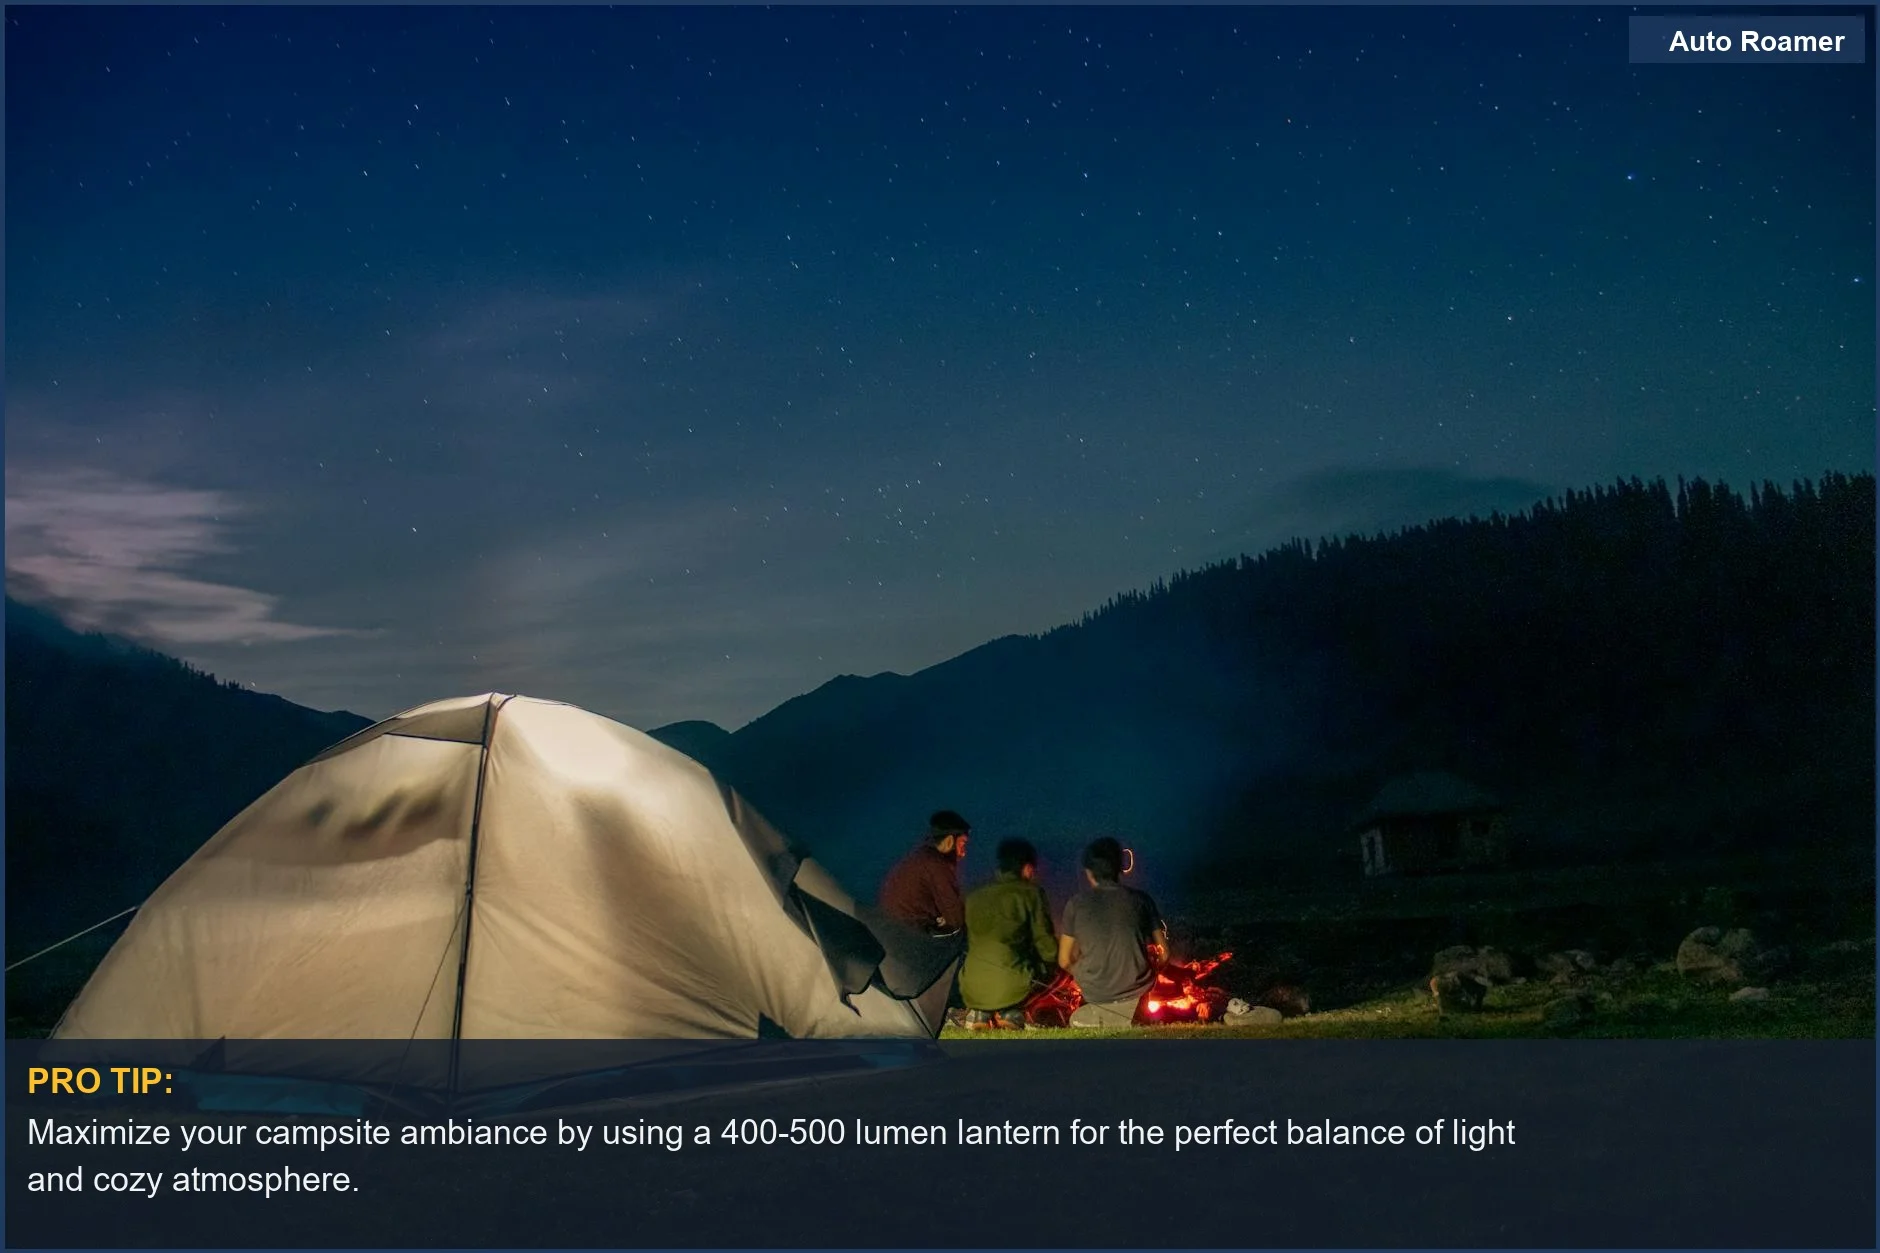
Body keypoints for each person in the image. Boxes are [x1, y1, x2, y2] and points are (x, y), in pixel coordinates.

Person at [1059, 836, 1167, 1028]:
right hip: (1137, 992)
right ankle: (1133, 1017)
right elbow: (1165, 954)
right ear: (1120, 868)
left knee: (1078, 1019)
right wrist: (1150, 969)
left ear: (1088, 872)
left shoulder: (1075, 904)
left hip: (1095, 994)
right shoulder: (1141, 900)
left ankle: (1101, 1018)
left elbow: (1065, 960)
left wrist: (1086, 975)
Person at [959, 839, 1060, 1029]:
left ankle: (982, 1013)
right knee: (1047, 966)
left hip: (971, 984)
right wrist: (1059, 963)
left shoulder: (974, 895)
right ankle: (1011, 1012)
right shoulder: (1031, 893)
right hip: (1012, 984)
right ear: (1027, 868)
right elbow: (1046, 944)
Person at [877, 810, 971, 935]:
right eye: (962, 844)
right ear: (949, 841)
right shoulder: (935, 865)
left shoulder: (920, 857)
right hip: (912, 933)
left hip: (896, 927)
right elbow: (955, 918)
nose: (963, 853)